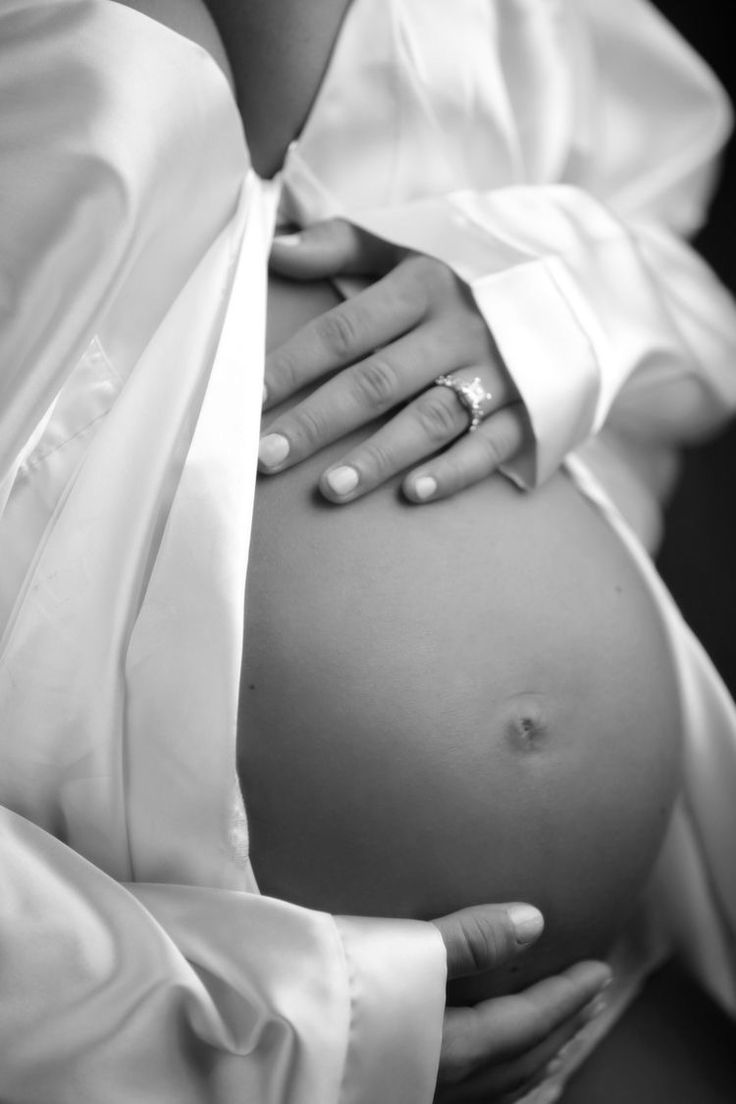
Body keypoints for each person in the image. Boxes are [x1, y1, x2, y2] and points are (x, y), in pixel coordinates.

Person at [0, 2, 735, 1103]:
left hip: (631, 965)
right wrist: (249, 1038)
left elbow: (684, 291)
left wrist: (541, 294)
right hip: (209, 1014)